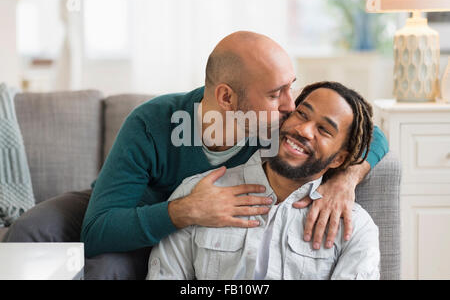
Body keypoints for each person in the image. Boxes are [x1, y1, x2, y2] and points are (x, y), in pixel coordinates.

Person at [4, 31, 388, 279]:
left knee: (106, 269)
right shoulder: (153, 122)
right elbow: (100, 229)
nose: (292, 106)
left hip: (178, 231)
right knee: (30, 230)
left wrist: (344, 180)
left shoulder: (281, 128)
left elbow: (369, 135)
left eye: (292, 88)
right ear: (226, 97)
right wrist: (185, 210)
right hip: (130, 210)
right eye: (276, 94)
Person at [147, 81, 380, 280]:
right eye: (302, 114)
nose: (305, 130)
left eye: (324, 129)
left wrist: (348, 179)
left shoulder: (355, 227)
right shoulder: (198, 193)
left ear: (338, 159)